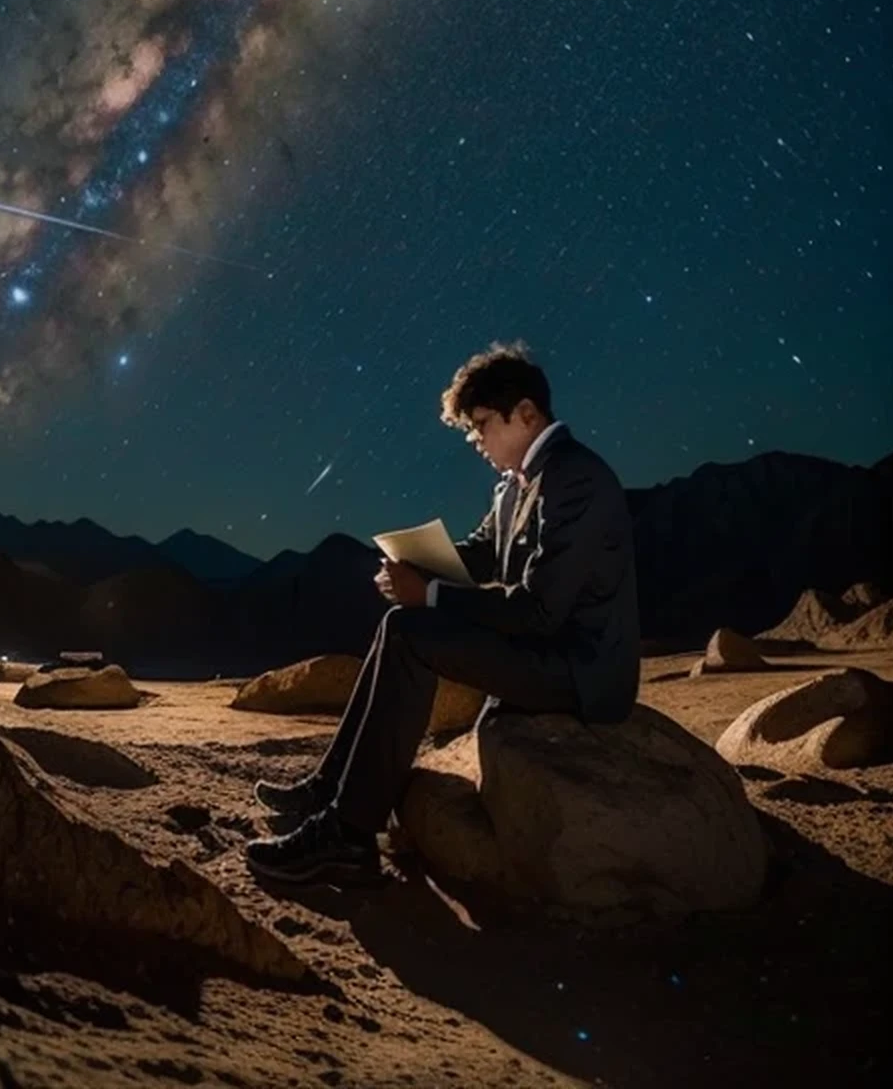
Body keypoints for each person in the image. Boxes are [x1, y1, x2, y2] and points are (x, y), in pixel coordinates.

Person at [245, 340, 639, 887]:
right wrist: (416, 562)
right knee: (397, 623)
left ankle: (349, 835)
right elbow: (477, 555)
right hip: (541, 650)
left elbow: (542, 610)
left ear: (525, 414)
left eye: (481, 425)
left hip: (579, 670)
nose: (476, 441)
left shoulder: (576, 480)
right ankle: (330, 791)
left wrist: (427, 596)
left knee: (410, 629)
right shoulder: (514, 486)